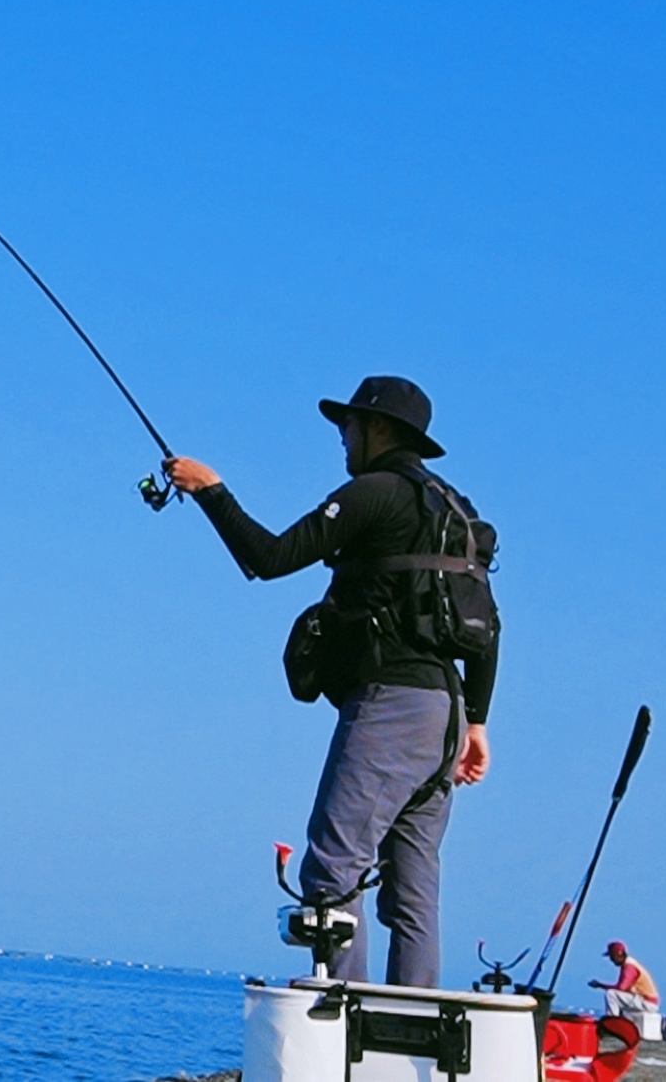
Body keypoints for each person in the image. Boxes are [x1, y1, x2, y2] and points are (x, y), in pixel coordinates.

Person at [165, 376, 498, 988]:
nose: (342, 440)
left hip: (392, 708)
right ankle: (412, 1043)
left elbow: (267, 559)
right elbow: (489, 624)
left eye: (347, 426)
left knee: (332, 870)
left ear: (376, 429)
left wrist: (211, 490)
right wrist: (475, 721)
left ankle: (341, 1026)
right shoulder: (455, 511)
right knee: (414, 891)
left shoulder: (374, 494)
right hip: (445, 715)